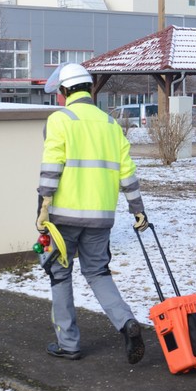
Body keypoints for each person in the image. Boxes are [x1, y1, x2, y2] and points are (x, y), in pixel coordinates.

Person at [36, 63, 149, 364]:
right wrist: (138, 210)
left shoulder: (60, 119)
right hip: (101, 218)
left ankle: (68, 343)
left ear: (64, 91)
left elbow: (51, 167)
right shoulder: (111, 125)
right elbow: (128, 172)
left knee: (59, 275)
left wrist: (43, 205)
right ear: (88, 89)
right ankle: (126, 322)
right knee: (98, 273)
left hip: (63, 218)